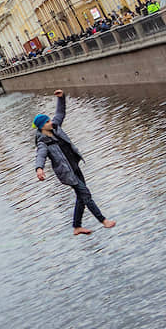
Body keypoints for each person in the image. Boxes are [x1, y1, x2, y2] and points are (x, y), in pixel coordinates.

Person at [34, 90, 116, 235]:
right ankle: (103, 220)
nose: (51, 122)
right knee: (86, 194)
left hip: (75, 167)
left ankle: (77, 226)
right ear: (41, 126)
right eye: (47, 122)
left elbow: (60, 113)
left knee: (81, 197)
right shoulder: (43, 142)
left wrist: (61, 98)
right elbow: (40, 155)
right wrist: (39, 168)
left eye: (49, 120)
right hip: (67, 173)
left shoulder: (56, 128)